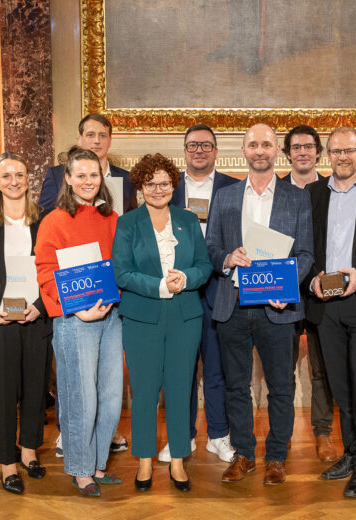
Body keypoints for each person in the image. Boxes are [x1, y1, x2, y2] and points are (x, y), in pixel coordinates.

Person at [206, 123, 314, 485]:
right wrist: (228, 258)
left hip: (276, 307)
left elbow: (305, 254)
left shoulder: (297, 197)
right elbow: (210, 249)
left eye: (267, 144)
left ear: (276, 150)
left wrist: (286, 289)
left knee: (281, 386)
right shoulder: (225, 195)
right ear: (244, 149)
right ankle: (243, 454)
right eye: (253, 144)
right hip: (232, 304)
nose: (260, 150)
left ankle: (277, 457)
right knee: (237, 385)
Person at [113, 153, 213, 492]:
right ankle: (144, 461)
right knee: (143, 391)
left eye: (165, 183)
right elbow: (122, 273)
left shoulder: (188, 219)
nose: (159, 189)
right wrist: (158, 286)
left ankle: (179, 461)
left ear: (174, 185)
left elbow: (204, 265)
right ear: (140, 186)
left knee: (180, 388)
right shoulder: (127, 223)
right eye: (151, 184)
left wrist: (185, 278)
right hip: (142, 317)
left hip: (185, 316)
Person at [40, 114, 132, 457]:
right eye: (81, 175)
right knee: (81, 396)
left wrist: (113, 302)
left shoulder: (113, 219)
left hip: (110, 317)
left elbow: (122, 267)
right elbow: (47, 272)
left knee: (110, 396)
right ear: (68, 178)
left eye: (93, 175)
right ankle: (80, 469)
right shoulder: (54, 221)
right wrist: (77, 309)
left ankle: (98, 463)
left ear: (102, 177)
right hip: (74, 319)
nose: (88, 181)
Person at [306, 127, 356, 497]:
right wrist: (312, 281)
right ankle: (352, 452)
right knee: (339, 384)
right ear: (327, 155)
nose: (343, 157)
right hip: (326, 306)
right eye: (336, 151)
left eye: (350, 150)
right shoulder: (313, 193)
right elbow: (302, 248)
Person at [0, 152, 53, 494]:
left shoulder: (45, 218)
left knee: (35, 387)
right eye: (6, 175)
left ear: (27, 178)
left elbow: (54, 267)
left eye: (19, 174)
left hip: (35, 316)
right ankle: (6, 461)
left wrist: (41, 306)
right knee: (2, 392)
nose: (14, 180)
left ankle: (30, 450)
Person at [158, 124, 238, 464]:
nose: (199, 151)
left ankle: (218, 435)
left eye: (206, 145)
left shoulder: (234, 188)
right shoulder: (167, 188)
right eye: (193, 145)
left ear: (216, 151)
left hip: (220, 288)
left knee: (218, 367)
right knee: (181, 368)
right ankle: (182, 436)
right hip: (179, 290)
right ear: (184, 151)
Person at [279, 124, 337, 464]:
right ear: (288, 154)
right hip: (282, 290)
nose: (302, 152)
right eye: (296, 147)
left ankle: (323, 433)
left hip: (321, 289)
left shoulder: (333, 189)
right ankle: (282, 433)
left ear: (318, 152)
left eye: (308, 147)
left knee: (321, 367)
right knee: (281, 366)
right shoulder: (276, 189)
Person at [39, 113, 135, 215]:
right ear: (80, 139)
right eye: (90, 135)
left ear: (110, 141)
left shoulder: (127, 179)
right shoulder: (56, 175)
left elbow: (132, 221)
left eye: (102, 135)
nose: (97, 141)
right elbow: (43, 217)